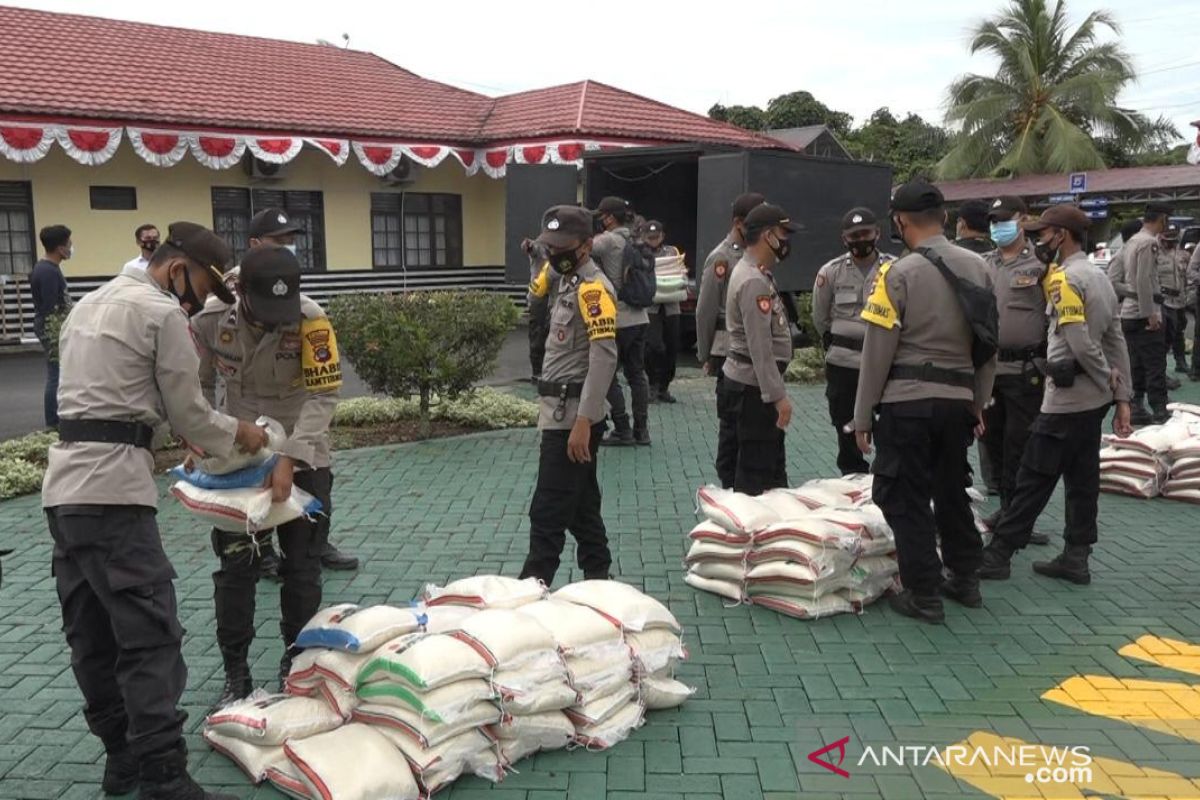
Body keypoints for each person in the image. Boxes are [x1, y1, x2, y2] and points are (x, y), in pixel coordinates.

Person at [42, 221, 268, 800]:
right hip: (114, 495)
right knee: (149, 637)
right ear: (176, 270)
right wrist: (241, 433)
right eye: (195, 291)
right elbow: (192, 414)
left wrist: (168, 431)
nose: (193, 306)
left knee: (91, 634)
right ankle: (164, 777)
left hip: (63, 491)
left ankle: (121, 761)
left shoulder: (89, 304)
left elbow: (105, 398)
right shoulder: (160, 313)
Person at [191, 245, 341, 707]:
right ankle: (235, 671)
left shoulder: (311, 319)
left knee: (302, 568)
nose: (280, 318)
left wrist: (289, 458)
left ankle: (297, 659)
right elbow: (193, 386)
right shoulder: (210, 321)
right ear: (241, 292)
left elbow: (324, 394)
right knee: (237, 570)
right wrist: (196, 437)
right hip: (238, 460)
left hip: (304, 454)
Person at [853, 181, 996, 624]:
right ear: (945, 219)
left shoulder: (896, 274)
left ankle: (924, 592)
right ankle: (966, 578)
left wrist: (862, 416)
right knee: (951, 488)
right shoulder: (980, 268)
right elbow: (989, 345)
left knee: (903, 496)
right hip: (957, 401)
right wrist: (978, 402)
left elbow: (878, 350)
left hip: (907, 402)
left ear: (899, 221)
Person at [980, 205, 1133, 585]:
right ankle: (1076, 556)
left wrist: (1107, 380)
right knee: (1083, 480)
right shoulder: (1097, 278)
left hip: (1066, 398)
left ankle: (998, 555)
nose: (1038, 240)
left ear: (1061, 236)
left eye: (1043, 234)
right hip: (1092, 403)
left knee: (1033, 477)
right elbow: (1116, 341)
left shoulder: (1065, 279)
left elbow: (1080, 343)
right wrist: (1121, 397)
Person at [238, 208, 358, 574]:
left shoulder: (308, 312)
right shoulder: (226, 306)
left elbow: (324, 390)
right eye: (280, 243)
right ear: (255, 245)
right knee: (250, 493)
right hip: (246, 416)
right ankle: (262, 554)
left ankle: (314, 546)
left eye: (291, 243)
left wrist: (294, 450)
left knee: (314, 485)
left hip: (297, 412)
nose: (288, 250)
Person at [519, 205, 619, 585]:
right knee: (581, 504)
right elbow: (533, 300)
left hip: (573, 415)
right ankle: (598, 572)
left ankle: (532, 585)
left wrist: (584, 421)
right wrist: (538, 264)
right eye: (551, 246)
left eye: (563, 247)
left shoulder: (594, 289)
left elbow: (604, 355)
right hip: (558, 409)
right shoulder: (563, 280)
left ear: (587, 245)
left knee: (548, 508)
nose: (556, 253)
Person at [978, 196, 1050, 546]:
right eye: (993, 220)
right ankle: (1007, 510)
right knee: (993, 443)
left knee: (1020, 446)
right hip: (990, 369)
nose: (997, 226)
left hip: (1025, 369)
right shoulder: (982, 263)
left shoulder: (1041, 263)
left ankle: (1019, 518)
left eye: (1004, 219)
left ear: (1022, 219)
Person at [722, 203, 799, 496]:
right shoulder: (753, 280)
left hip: (747, 385)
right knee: (757, 473)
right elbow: (760, 347)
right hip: (753, 390)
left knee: (759, 467)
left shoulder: (754, 272)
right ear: (768, 236)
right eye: (783, 233)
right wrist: (778, 397)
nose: (787, 240)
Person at [812, 206, 895, 475]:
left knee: (889, 423)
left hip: (885, 363)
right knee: (845, 424)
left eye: (865, 233)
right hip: (844, 364)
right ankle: (852, 477)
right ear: (844, 239)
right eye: (853, 235)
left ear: (877, 233)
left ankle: (886, 476)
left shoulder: (894, 269)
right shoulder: (831, 272)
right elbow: (820, 317)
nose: (860, 240)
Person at [696, 192, 764, 487]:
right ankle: (728, 484)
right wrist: (705, 354)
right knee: (732, 427)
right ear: (739, 222)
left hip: (755, 351)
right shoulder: (722, 257)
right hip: (727, 348)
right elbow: (706, 309)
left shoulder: (758, 255)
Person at [592, 196, 652, 446]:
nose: (600, 220)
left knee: (605, 374)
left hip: (617, 318)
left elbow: (580, 248)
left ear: (610, 217)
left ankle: (622, 427)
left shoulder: (606, 241)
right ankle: (642, 431)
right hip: (641, 317)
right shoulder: (637, 240)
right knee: (637, 374)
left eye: (602, 216)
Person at [1120, 203, 1171, 425]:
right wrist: (1150, 313)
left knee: (1136, 364)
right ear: (1162, 219)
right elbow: (1143, 280)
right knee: (1155, 364)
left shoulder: (1132, 241)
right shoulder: (1149, 242)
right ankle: (1160, 410)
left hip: (1129, 313)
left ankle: (1137, 406)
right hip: (1144, 314)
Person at [30, 224, 73, 429]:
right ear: (60, 248)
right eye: (69, 243)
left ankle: (58, 417)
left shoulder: (48, 268)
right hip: (51, 327)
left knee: (59, 372)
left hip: (51, 325)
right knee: (56, 373)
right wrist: (58, 330)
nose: (71, 246)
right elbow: (50, 307)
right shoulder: (47, 271)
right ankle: (53, 421)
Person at [642, 220, 682, 403]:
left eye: (656, 237)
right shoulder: (640, 253)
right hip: (651, 306)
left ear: (662, 236)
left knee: (672, 347)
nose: (653, 241)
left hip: (672, 306)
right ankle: (652, 384)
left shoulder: (671, 252)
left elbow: (678, 269)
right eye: (649, 238)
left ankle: (664, 387)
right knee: (654, 346)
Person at [1158, 224, 1188, 380]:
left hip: (1180, 299)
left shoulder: (1182, 255)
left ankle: (1180, 362)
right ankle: (1161, 371)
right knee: (1166, 337)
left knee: (1179, 332)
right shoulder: (1156, 254)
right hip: (1165, 301)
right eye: (1168, 239)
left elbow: (1185, 277)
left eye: (1174, 239)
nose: (1171, 243)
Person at [524, 236, 552, 383]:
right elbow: (530, 248)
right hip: (539, 297)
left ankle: (549, 370)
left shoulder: (562, 245)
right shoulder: (539, 245)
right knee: (537, 335)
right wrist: (528, 245)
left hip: (554, 296)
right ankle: (537, 372)